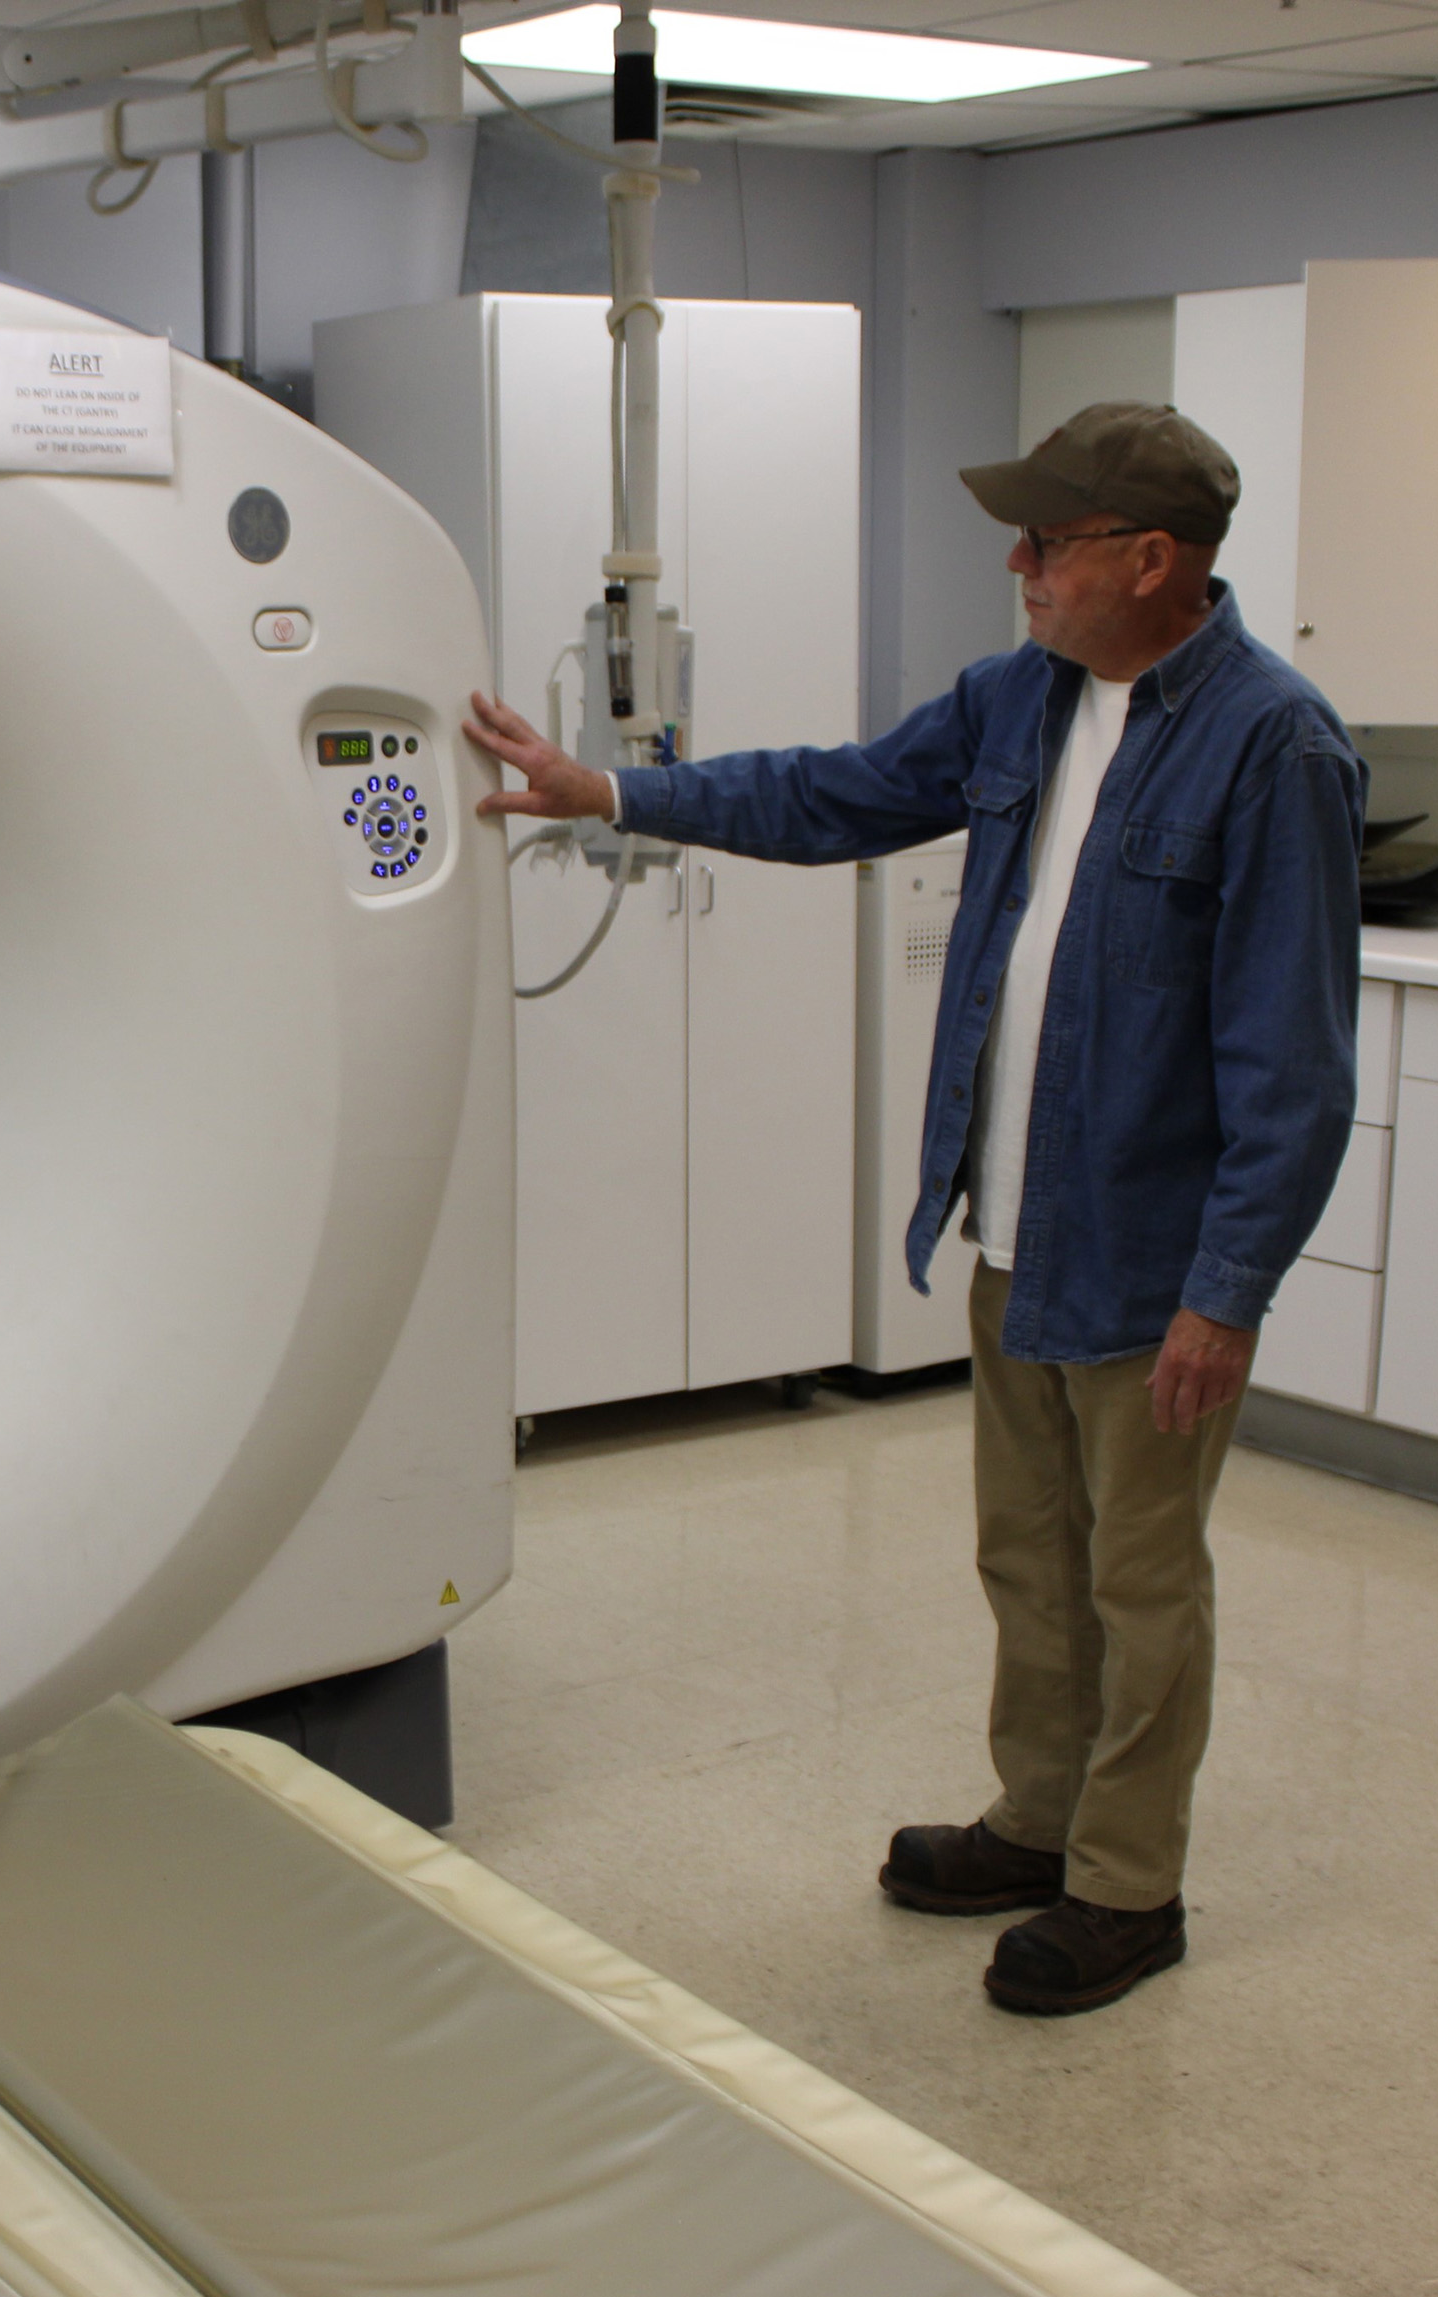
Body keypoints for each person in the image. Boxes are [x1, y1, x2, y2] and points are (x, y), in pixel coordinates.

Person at [464, 403, 1363, 2017]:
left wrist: (1227, 1293)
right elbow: (834, 797)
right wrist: (604, 789)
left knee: (1140, 1585)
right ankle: (1038, 1821)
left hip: (1152, 1266)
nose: (1014, 567)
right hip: (1013, 1232)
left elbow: (1291, 1064)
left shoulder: (1271, 746)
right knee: (1028, 1561)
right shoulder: (1021, 699)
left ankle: (1127, 1885)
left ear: (1149, 560)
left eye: (1048, 542)